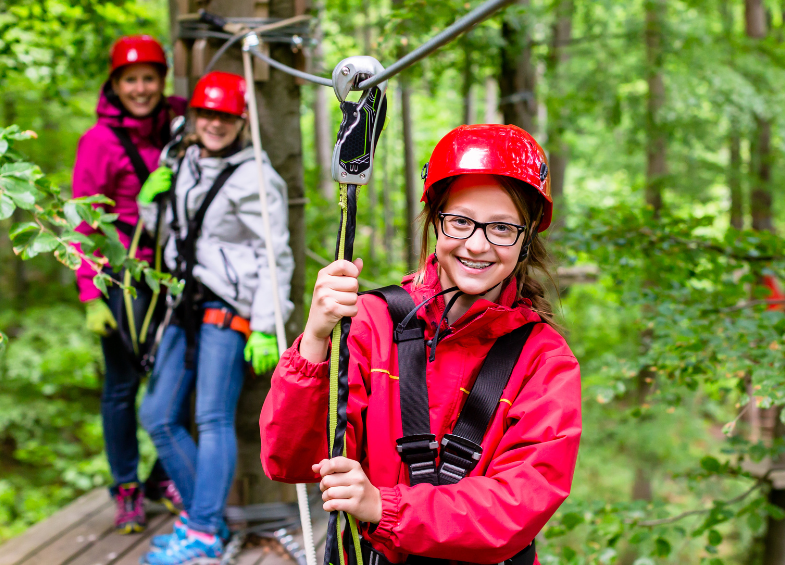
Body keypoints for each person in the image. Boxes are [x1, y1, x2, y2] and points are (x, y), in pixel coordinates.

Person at [260, 125, 582, 565]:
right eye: (461, 221)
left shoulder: (544, 361)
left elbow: (520, 502)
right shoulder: (373, 322)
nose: (477, 244)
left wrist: (384, 507)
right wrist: (315, 341)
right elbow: (292, 461)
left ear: (526, 239)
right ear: (436, 221)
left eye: (502, 228)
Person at [136, 71, 294, 565]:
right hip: (183, 303)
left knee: (211, 416)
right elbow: (173, 233)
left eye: (225, 116)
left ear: (240, 119)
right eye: (207, 114)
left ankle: (202, 528)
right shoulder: (183, 160)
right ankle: (208, 518)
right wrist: (148, 203)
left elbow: (276, 255)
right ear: (195, 116)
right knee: (158, 416)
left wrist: (268, 324)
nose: (215, 124)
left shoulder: (256, 177)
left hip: (227, 306)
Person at [72, 34, 187, 535]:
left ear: (162, 82)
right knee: (121, 387)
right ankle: (125, 489)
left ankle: (161, 476)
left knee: (176, 377)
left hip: (174, 273)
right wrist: (90, 293)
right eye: (130, 80)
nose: (141, 89)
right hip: (122, 275)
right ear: (115, 85)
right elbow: (84, 221)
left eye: (149, 78)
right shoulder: (98, 142)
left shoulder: (179, 122)